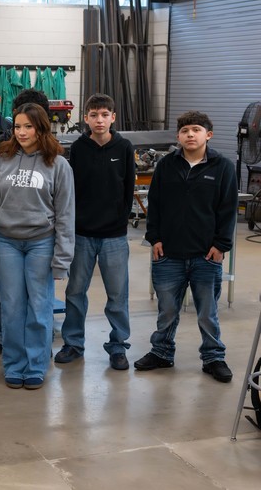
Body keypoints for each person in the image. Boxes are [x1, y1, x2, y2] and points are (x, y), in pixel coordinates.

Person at [135, 111, 238, 383]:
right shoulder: (167, 166)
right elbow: (154, 205)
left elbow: (228, 210)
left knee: (207, 312)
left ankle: (214, 357)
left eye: (196, 130)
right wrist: (154, 238)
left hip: (206, 254)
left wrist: (221, 245)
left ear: (208, 134)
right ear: (178, 136)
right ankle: (162, 352)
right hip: (168, 254)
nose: (190, 135)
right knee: (167, 309)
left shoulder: (223, 167)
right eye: (184, 131)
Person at [0, 103, 74, 390]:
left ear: (41, 128)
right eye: (17, 126)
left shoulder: (58, 164)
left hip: (40, 243)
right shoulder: (1, 160)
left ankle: (35, 365)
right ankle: (14, 364)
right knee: (10, 306)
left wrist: (62, 258)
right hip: (7, 242)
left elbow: (66, 214)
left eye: (28, 126)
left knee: (39, 306)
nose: (21, 132)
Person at [55, 94, 135, 371]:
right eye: (93, 115)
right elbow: (70, 190)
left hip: (114, 236)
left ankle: (118, 346)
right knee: (76, 291)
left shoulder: (124, 147)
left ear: (113, 117)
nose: (99, 120)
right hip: (81, 235)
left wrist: (119, 220)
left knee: (117, 294)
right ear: (86, 118)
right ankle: (74, 343)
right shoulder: (78, 148)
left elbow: (128, 190)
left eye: (104, 115)